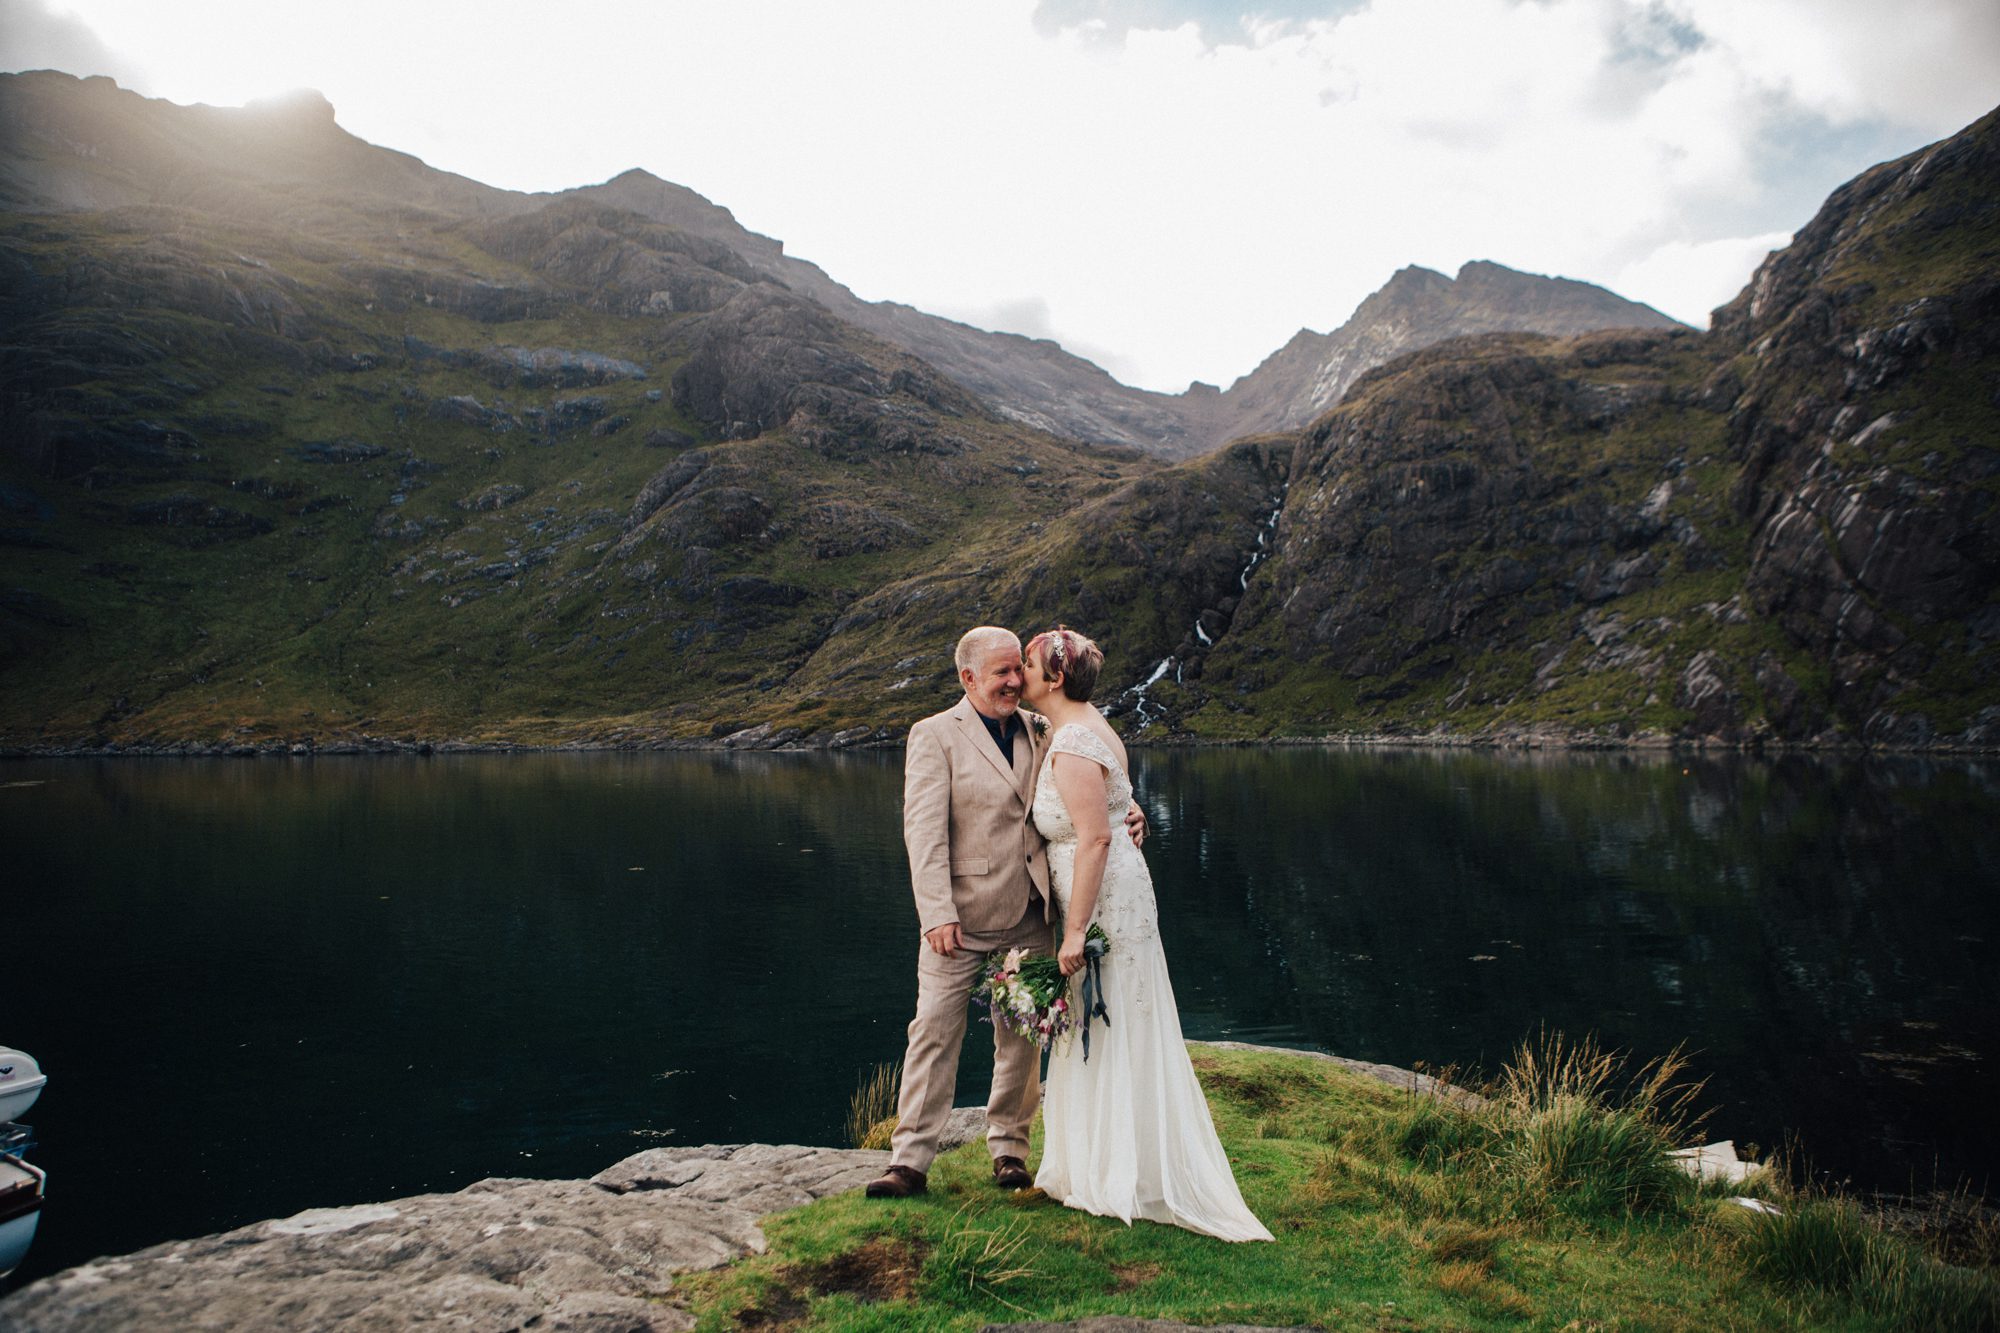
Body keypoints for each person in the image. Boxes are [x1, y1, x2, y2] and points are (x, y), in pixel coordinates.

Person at [866, 626, 1142, 1199]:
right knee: (934, 1031)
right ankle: (909, 1161)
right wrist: (936, 912)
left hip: (1033, 911)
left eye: (1020, 668)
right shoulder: (933, 735)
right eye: (1001, 673)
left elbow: (1089, 775)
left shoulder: (1042, 726)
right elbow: (923, 833)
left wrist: (1130, 809)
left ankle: (1010, 1151)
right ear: (968, 678)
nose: (1015, 681)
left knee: (1021, 1035)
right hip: (958, 921)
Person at [1022, 624, 1274, 1242]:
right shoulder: (1077, 726)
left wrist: (1075, 931)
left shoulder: (1076, 738)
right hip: (1114, 890)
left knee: (1110, 1019)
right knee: (1108, 1021)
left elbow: (1097, 836)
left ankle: (1121, 1173)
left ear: (1053, 677)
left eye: (1027, 663)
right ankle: (1107, 1164)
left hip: (1103, 901)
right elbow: (1116, 810)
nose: (1019, 673)